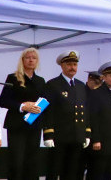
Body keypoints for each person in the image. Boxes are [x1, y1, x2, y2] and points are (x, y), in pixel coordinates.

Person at [0, 47, 46, 180]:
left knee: (32, 161)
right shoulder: (13, 77)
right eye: (28, 57)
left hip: (34, 124)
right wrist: (22, 106)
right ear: (22, 60)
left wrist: (38, 108)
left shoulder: (40, 81)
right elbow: (3, 100)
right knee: (16, 161)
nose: (31, 60)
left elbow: (44, 101)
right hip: (16, 125)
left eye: (34, 58)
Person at [42, 50, 91, 180]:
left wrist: (87, 132)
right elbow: (48, 110)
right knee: (54, 169)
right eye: (69, 64)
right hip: (59, 136)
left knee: (73, 171)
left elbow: (86, 110)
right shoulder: (53, 84)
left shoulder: (81, 86)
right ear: (62, 66)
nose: (72, 67)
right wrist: (48, 134)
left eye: (75, 64)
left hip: (77, 136)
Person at [79, 70, 103, 179]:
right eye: (96, 83)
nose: (98, 86)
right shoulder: (81, 92)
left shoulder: (98, 94)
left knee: (94, 170)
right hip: (81, 136)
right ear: (89, 80)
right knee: (78, 168)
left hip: (94, 137)